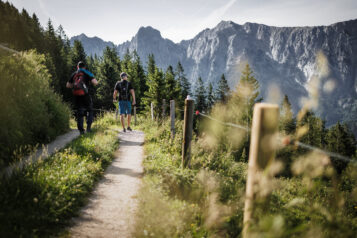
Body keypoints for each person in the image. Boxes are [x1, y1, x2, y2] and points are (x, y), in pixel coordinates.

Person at [66, 61, 98, 134]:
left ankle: (81, 130)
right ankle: (88, 128)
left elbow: (67, 85)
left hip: (77, 95)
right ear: (84, 67)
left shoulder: (74, 74)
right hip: (85, 95)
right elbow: (95, 82)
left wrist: (75, 86)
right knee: (90, 110)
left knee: (80, 112)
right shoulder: (86, 72)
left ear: (77, 67)